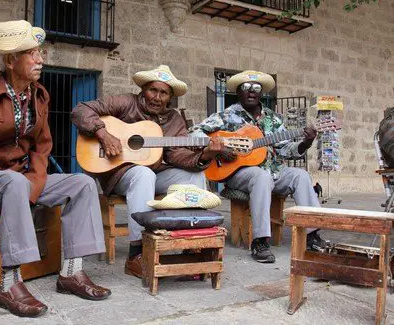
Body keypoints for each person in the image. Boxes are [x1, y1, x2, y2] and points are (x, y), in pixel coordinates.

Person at [0, 20, 110, 318]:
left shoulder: (40, 96)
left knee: (82, 184)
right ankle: (9, 284)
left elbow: (42, 147)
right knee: (14, 183)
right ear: (11, 60)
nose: (40, 59)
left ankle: (71, 273)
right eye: (31, 53)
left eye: (40, 52)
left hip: (21, 179)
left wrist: (35, 185)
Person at [71, 65, 226, 278]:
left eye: (163, 93)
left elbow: (175, 156)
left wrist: (205, 156)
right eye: (153, 90)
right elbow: (80, 110)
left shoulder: (174, 120)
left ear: (170, 97)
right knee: (144, 174)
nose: (157, 97)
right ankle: (137, 253)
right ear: (143, 89)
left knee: (195, 175)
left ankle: (194, 246)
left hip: (156, 172)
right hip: (120, 173)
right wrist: (103, 134)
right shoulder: (125, 102)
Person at [190, 70, 327, 263]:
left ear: (262, 92)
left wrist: (305, 143)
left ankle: (311, 234)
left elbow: (285, 149)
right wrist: (219, 149)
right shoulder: (226, 116)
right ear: (238, 92)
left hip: (274, 170)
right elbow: (193, 132)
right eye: (246, 88)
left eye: (256, 88)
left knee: (301, 176)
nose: (251, 91)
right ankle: (260, 241)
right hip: (239, 173)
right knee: (261, 176)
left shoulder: (273, 118)